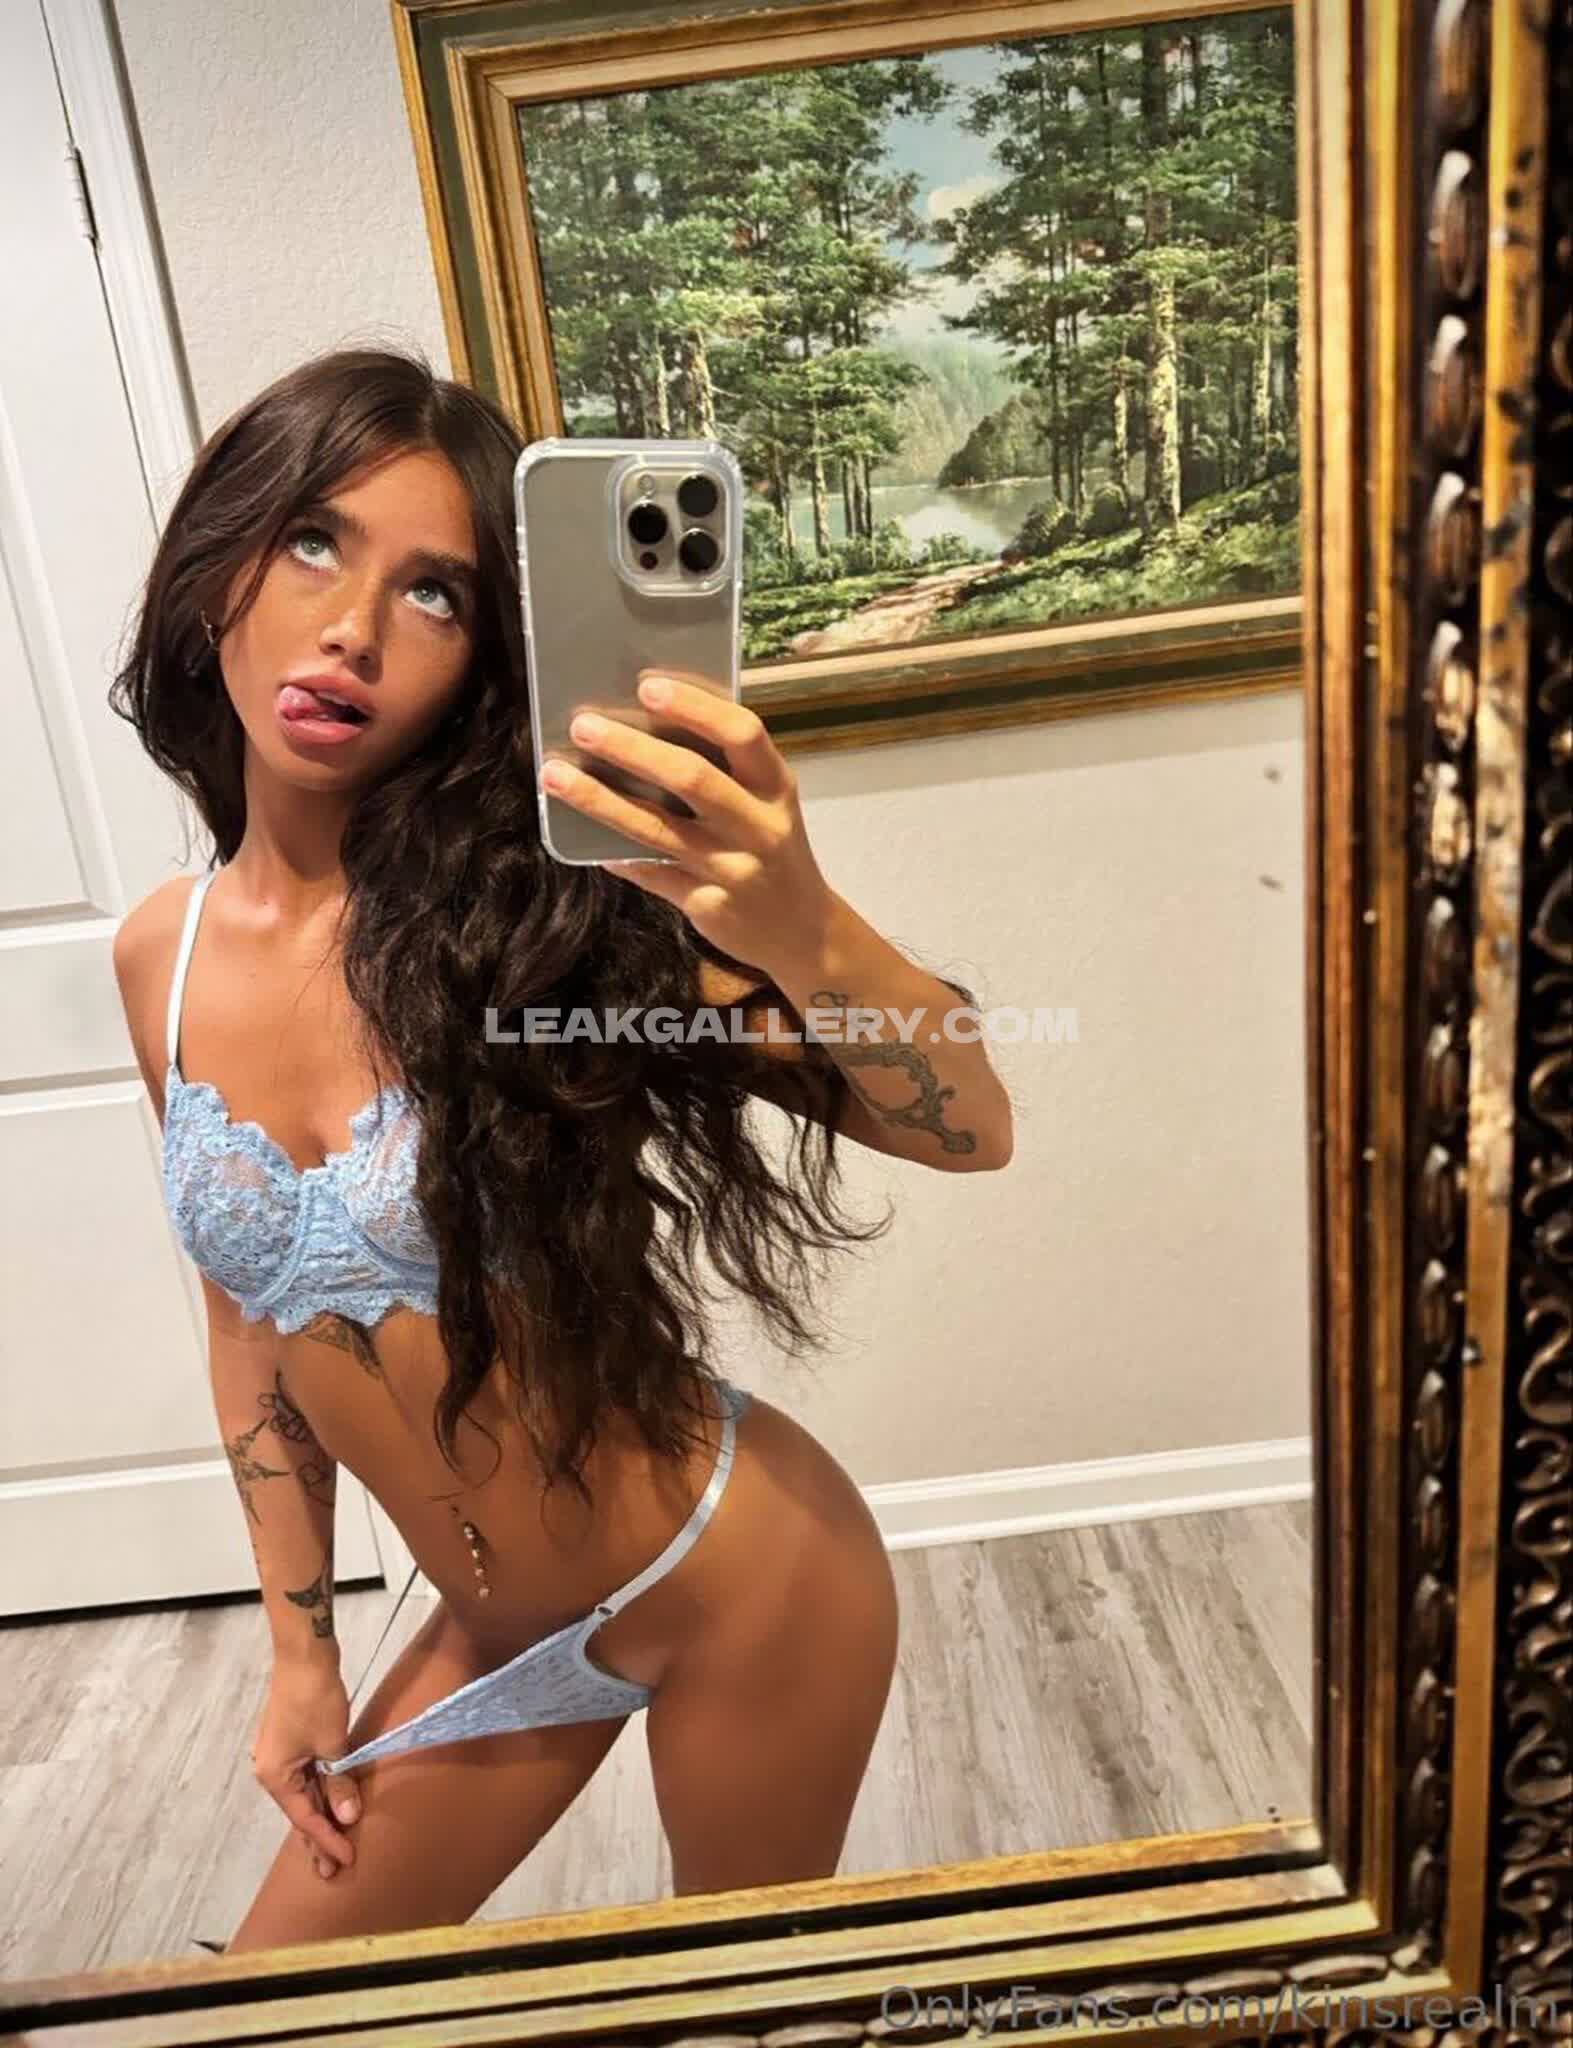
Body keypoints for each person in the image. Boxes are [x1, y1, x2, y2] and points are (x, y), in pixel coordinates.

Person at [108, 345, 1014, 1950]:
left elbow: (962, 1125)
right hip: (490, 1628)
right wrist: (300, 1655)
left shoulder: (536, 926)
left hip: (735, 1580)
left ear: (481, 660)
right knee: (258, 2007)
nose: (355, 629)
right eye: (314, 540)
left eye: (435, 594)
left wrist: (796, 915)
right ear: (215, 565)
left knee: (746, 2003)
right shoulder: (159, 959)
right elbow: (248, 1325)